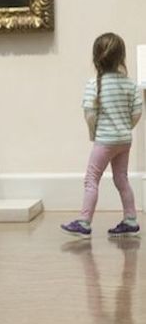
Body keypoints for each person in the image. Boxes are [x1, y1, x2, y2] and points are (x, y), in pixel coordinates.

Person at [62, 33, 143, 238]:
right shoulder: (130, 84)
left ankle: (84, 222)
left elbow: (89, 114)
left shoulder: (94, 84)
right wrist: (124, 127)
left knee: (92, 179)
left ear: (96, 58)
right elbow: (136, 113)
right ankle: (131, 220)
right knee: (121, 179)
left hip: (104, 141)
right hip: (125, 140)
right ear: (121, 57)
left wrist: (95, 132)